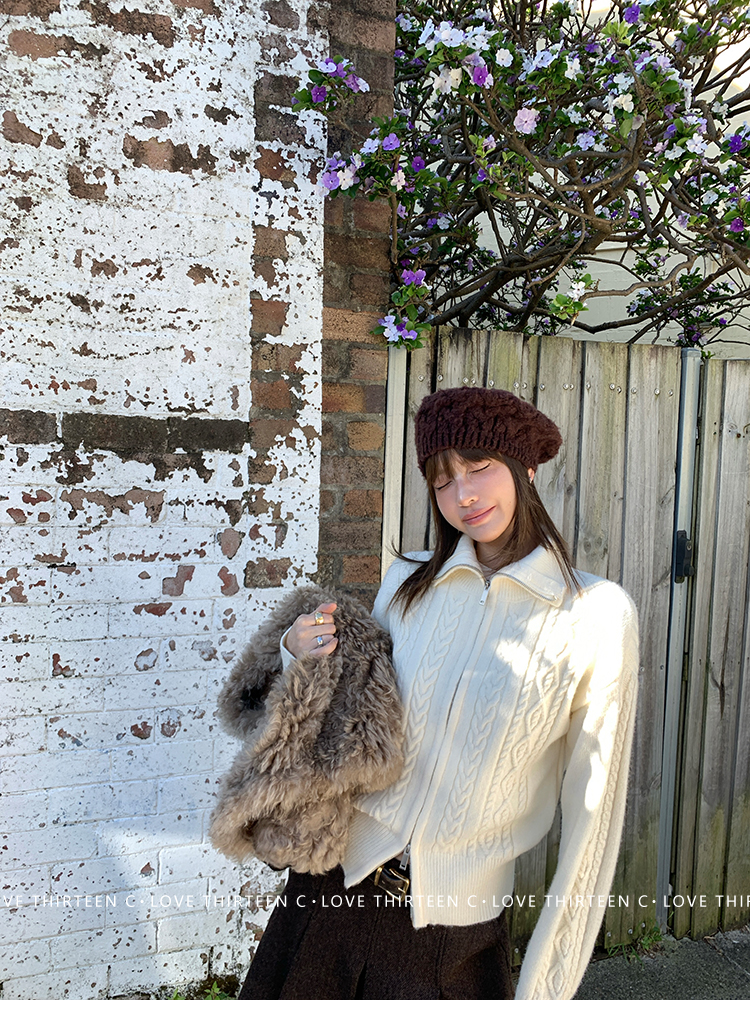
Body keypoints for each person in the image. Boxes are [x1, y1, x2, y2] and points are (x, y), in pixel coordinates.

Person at [237, 385, 640, 1000]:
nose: (463, 496)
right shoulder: (406, 583)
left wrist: (546, 994)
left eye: (479, 468)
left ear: (526, 470)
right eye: (443, 480)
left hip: (454, 938)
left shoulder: (597, 615)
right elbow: (342, 722)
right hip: (328, 891)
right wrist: (297, 656)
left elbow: (595, 818)